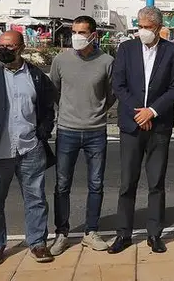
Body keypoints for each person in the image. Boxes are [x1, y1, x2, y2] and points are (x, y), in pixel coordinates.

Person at [0, 30, 57, 266]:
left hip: (29, 148)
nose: (3, 50)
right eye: (1, 45)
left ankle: (38, 243)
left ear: (22, 48)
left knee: (36, 199)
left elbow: (47, 109)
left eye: (10, 46)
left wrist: (42, 133)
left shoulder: (35, 76)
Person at [108, 6, 174, 255]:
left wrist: (152, 111)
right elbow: (118, 84)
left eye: (147, 28)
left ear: (158, 28)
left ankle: (154, 234)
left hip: (158, 125)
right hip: (131, 125)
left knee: (156, 182)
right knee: (127, 182)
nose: (143, 32)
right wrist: (139, 113)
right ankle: (123, 234)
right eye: (139, 27)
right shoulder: (126, 49)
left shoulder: (172, 51)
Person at [49, 16, 114, 256]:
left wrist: (96, 111)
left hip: (96, 131)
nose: (76, 36)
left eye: (82, 32)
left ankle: (91, 232)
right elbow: (54, 90)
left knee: (96, 184)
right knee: (62, 184)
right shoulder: (60, 60)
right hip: (67, 130)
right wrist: (67, 110)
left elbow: (111, 94)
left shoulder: (107, 61)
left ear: (93, 35)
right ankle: (61, 233)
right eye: (74, 31)